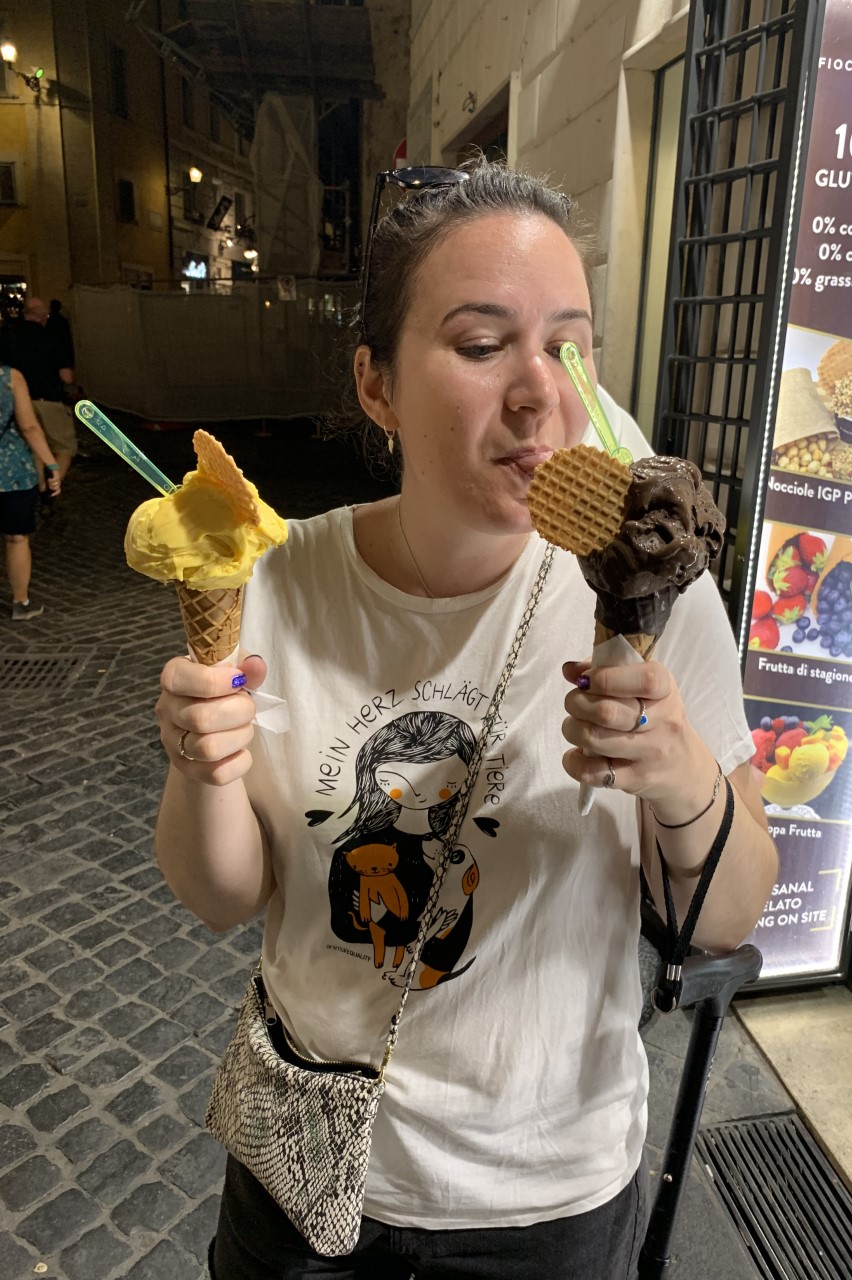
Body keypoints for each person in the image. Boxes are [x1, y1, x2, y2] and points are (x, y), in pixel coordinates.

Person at [152, 159, 777, 1280]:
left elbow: (728, 913)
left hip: (545, 1196)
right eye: (483, 346)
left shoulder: (653, 594)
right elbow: (222, 893)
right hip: (303, 1173)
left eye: (569, 346)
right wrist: (201, 767)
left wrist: (679, 773)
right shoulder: (282, 578)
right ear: (376, 384)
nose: (538, 392)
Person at [0, 363, 61, 619]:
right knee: (17, 538)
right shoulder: (9, 378)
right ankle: (21, 602)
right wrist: (51, 464)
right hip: (11, 473)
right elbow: (29, 427)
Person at [0, 297, 77, 480]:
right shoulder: (53, 339)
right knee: (65, 447)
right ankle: (54, 485)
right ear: (43, 317)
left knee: (33, 448)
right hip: (50, 400)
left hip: (18, 402)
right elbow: (66, 377)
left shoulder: (7, 337)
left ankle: (40, 486)